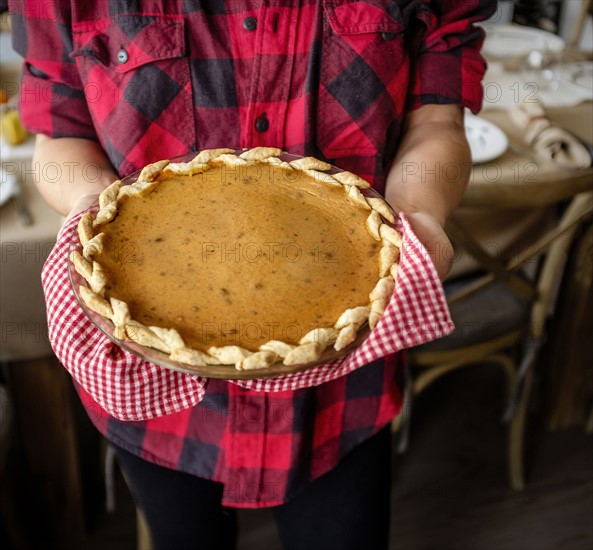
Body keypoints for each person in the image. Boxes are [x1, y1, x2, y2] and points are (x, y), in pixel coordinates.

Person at [10, 1, 496, 548]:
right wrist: (91, 206)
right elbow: (58, 132)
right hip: (157, 399)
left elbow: (436, 119)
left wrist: (420, 215)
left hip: (343, 392)